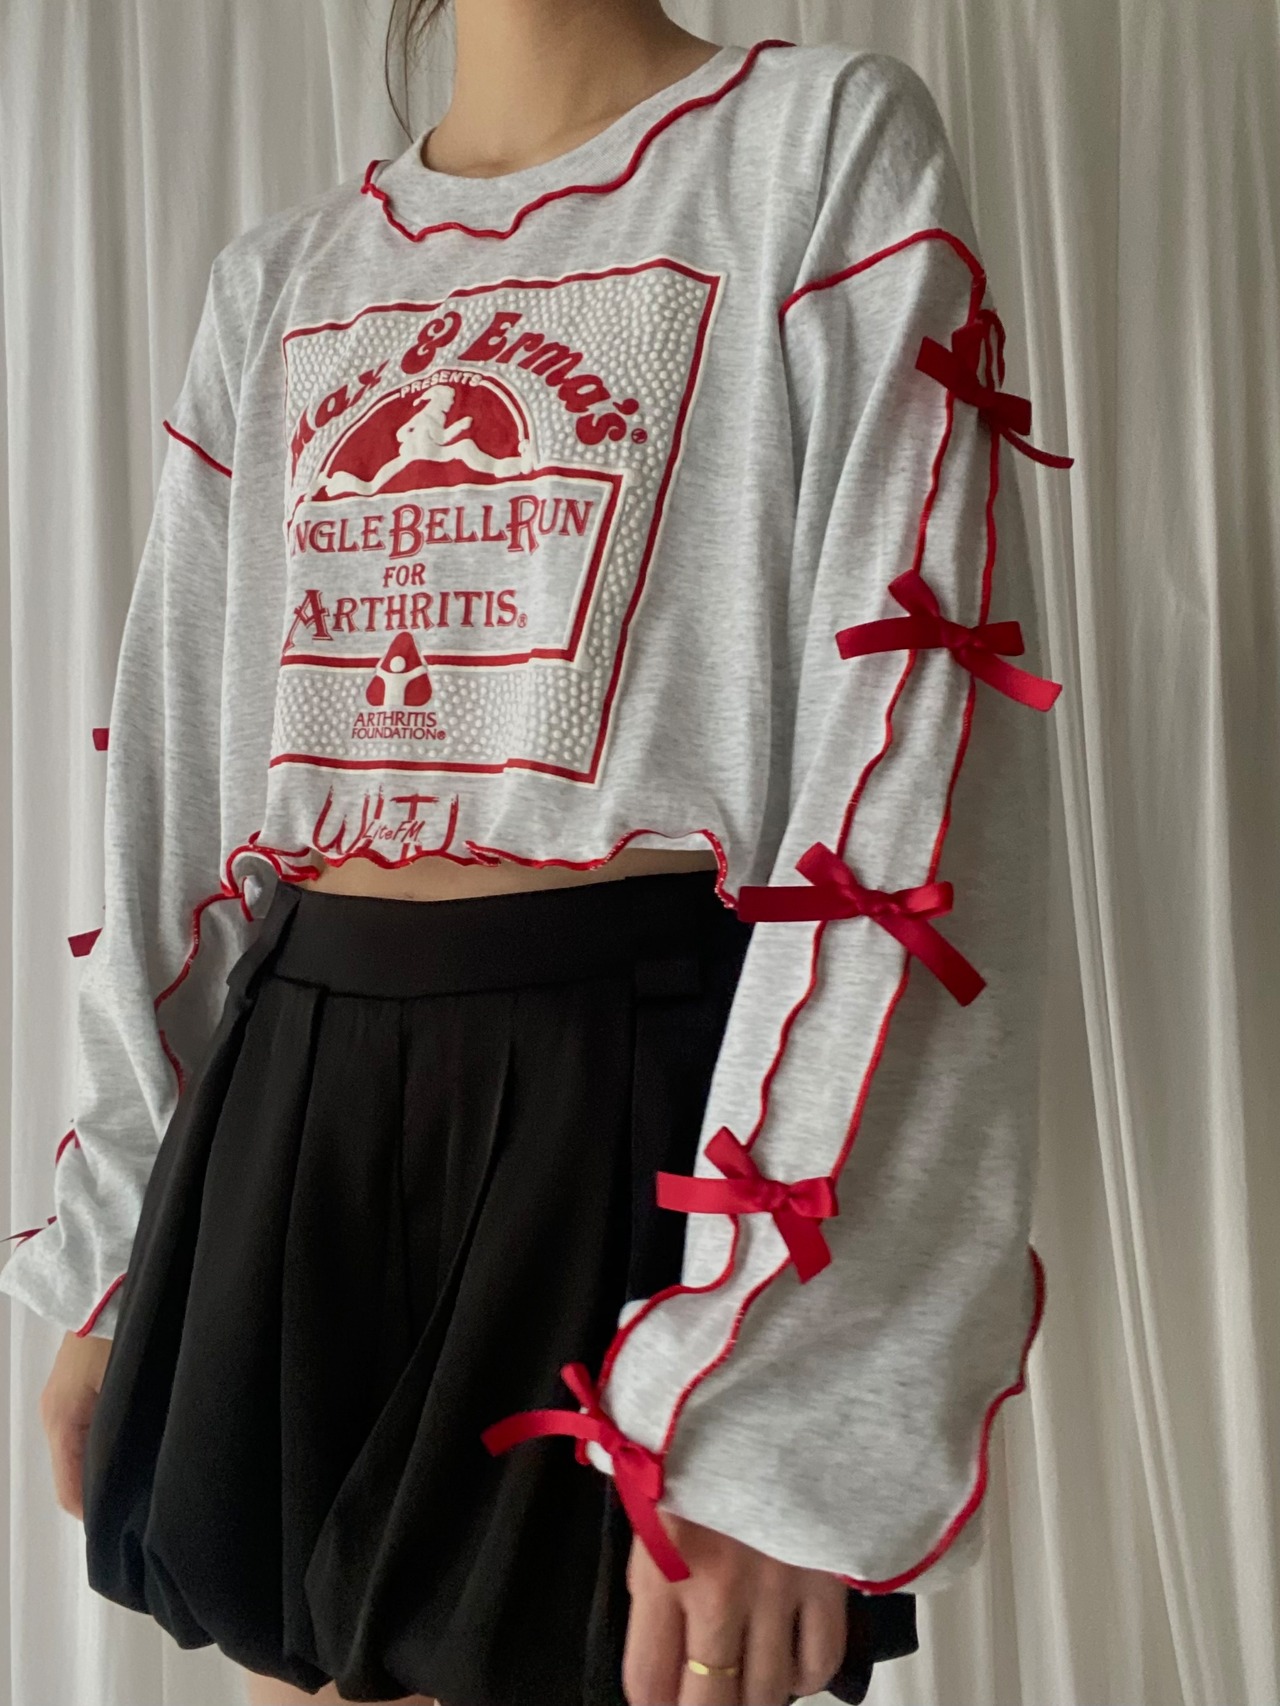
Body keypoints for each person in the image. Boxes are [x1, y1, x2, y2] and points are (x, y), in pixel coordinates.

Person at [2, 1, 1071, 1702]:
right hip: (296, 1105)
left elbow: (911, 761)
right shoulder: (281, 279)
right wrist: (111, 1247)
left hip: (636, 1112)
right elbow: (175, 788)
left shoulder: (814, 151)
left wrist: (785, 1382)